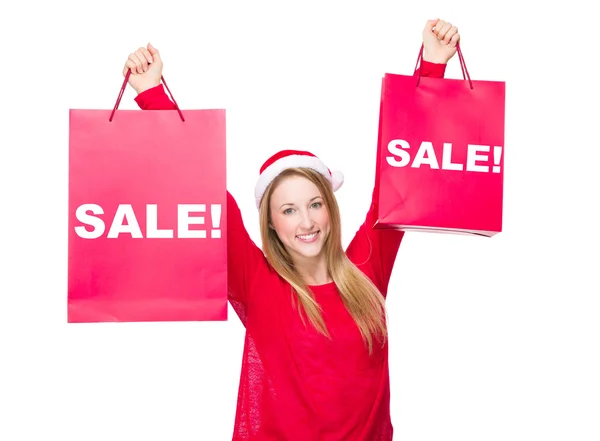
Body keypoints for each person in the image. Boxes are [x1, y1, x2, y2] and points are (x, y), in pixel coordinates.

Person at [122, 18, 460, 441]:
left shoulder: (365, 268)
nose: (306, 222)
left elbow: (401, 179)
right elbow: (206, 192)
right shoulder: (258, 282)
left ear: (330, 208)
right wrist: (153, 95)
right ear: (271, 223)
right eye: (289, 210)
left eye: (316, 204)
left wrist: (432, 66)